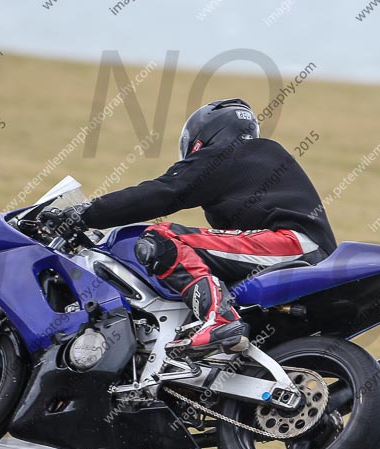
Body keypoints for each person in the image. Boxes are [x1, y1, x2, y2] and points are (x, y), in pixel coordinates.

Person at [40, 98, 336, 357]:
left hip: (292, 246)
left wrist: (83, 214)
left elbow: (161, 193)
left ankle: (218, 320)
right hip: (295, 251)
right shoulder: (256, 162)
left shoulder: (230, 153)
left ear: (206, 134)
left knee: (163, 238)